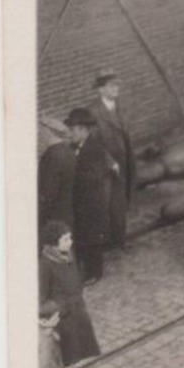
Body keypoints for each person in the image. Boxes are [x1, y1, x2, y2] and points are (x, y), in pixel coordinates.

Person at [38, 221, 101, 368]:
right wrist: (57, 307)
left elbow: (76, 281)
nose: (70, 241)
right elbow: (40, 299)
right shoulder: (45, 266)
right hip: (56, 319)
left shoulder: (69, 257)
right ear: (54, 244)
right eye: (65, 239)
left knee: (67, 355)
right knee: (53, 361)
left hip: (73, 315)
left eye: (69, 237)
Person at [90, 71, 136, 248]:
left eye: (118, 85)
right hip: (106, 166)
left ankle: (119, 240)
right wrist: (110, 162)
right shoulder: (93, 111)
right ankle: (106, 242)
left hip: (124, 162)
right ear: (101, 90)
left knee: (121, 201)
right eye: (112, 86)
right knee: (107, 203)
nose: (116, 89)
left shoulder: (120, 107)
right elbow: (93, 143)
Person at [69, 108, 113, 284]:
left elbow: (95, 177)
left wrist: (72, 175)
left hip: (92, 202)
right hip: (80, 201)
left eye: (73, 130)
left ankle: (95, 273)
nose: (70, 133)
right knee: (82, 235)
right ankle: (84, 269)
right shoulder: (74, 147)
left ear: (83, 130)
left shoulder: (94, 148)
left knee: (92, 237)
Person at [38, 128, 79, 238]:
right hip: (69, 208)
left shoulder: (52, 154)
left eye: (41, 133)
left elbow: (48, 191)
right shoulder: (69, 152)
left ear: (48, 133)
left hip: (55, 212)